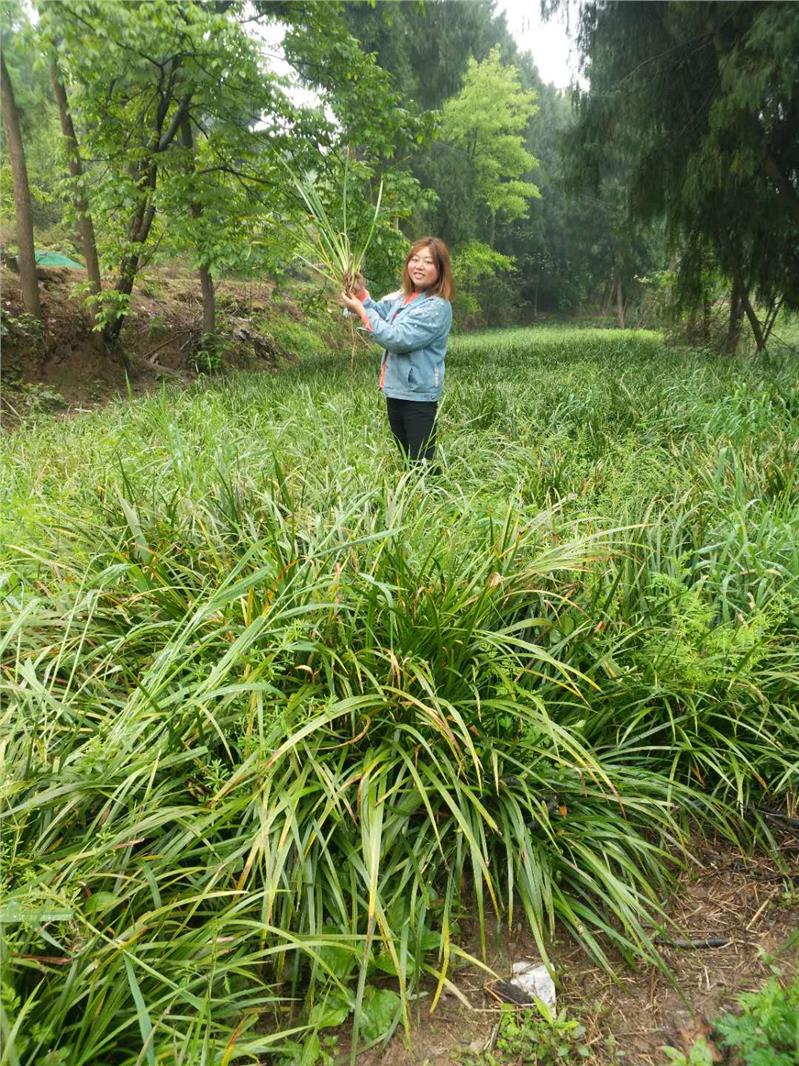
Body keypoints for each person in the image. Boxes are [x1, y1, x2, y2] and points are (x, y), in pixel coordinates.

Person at [340, 238, 453, 466]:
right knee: (406, 457)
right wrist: (361, 294)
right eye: (415, 259)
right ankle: (413, 497)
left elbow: (397, 338)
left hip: (418, 394)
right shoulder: (402, 296)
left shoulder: (436, 307)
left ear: (440, 269)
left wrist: (361, 311)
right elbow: (379, 313)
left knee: (421, 462)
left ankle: (429, 497)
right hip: (396, 389)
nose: (419, 266)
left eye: (428, 262)